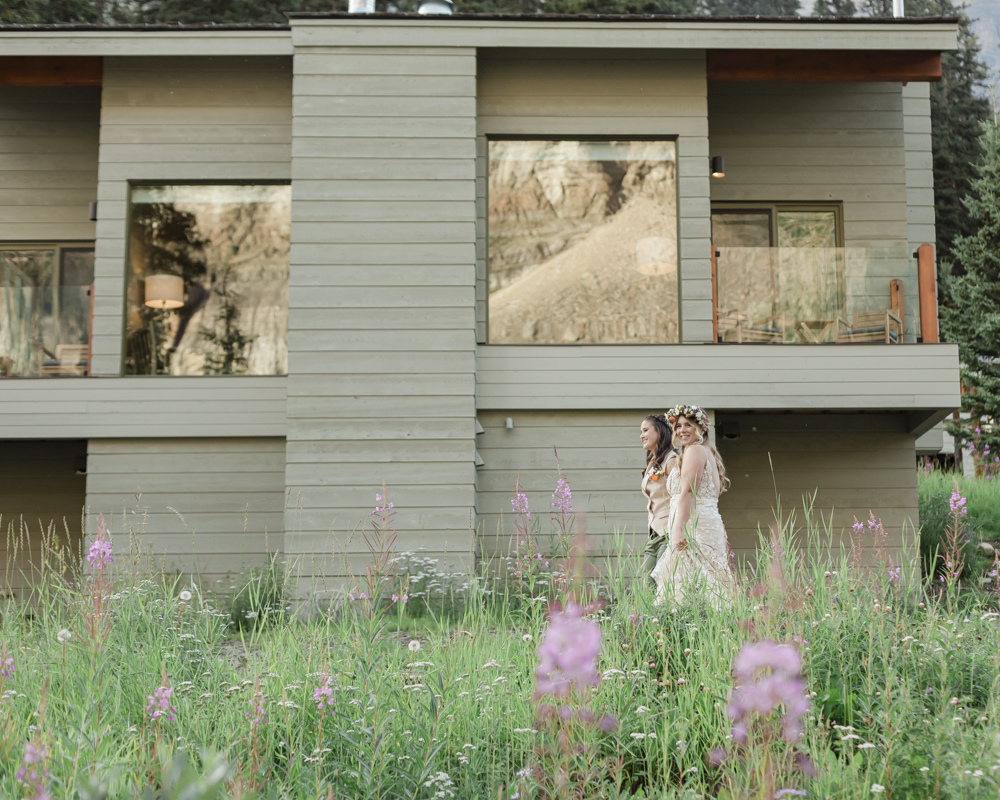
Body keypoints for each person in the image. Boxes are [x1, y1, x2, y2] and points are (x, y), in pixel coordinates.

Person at [651, 404, 735, 606]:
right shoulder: (706, 452)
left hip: (693, 525)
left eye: (687, 425)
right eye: (678, 426)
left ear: (701, 428)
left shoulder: (695, 450)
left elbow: (688, 491)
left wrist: (679, 529)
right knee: (708, 580)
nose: (681, 430)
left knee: (689, 583)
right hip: (704, 521)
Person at [639, 413, 676, 589]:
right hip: (654, 534)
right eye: (641, 431)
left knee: (663, 585)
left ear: (660, 432)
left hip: (669, 531)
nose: (641, 435)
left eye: (646, 430)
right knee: (645, 586)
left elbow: (684, 495)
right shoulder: (653, 461)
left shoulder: (672, 460)